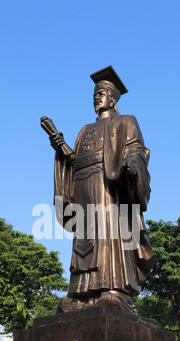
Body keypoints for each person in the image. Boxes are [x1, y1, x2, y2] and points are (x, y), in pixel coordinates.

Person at [50, 66, 155, 313]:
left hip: (110, 188)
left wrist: (131, 163)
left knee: (109, 236)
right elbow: (74, 161)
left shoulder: (127, 121)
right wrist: (63, 154)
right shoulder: (85, 130)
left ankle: (113, 290)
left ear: (113, 98)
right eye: (95, 94)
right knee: (84, 238)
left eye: (101, 93)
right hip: (84, 187)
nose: (97, 97)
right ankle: (82, 294)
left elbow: (136, 149)